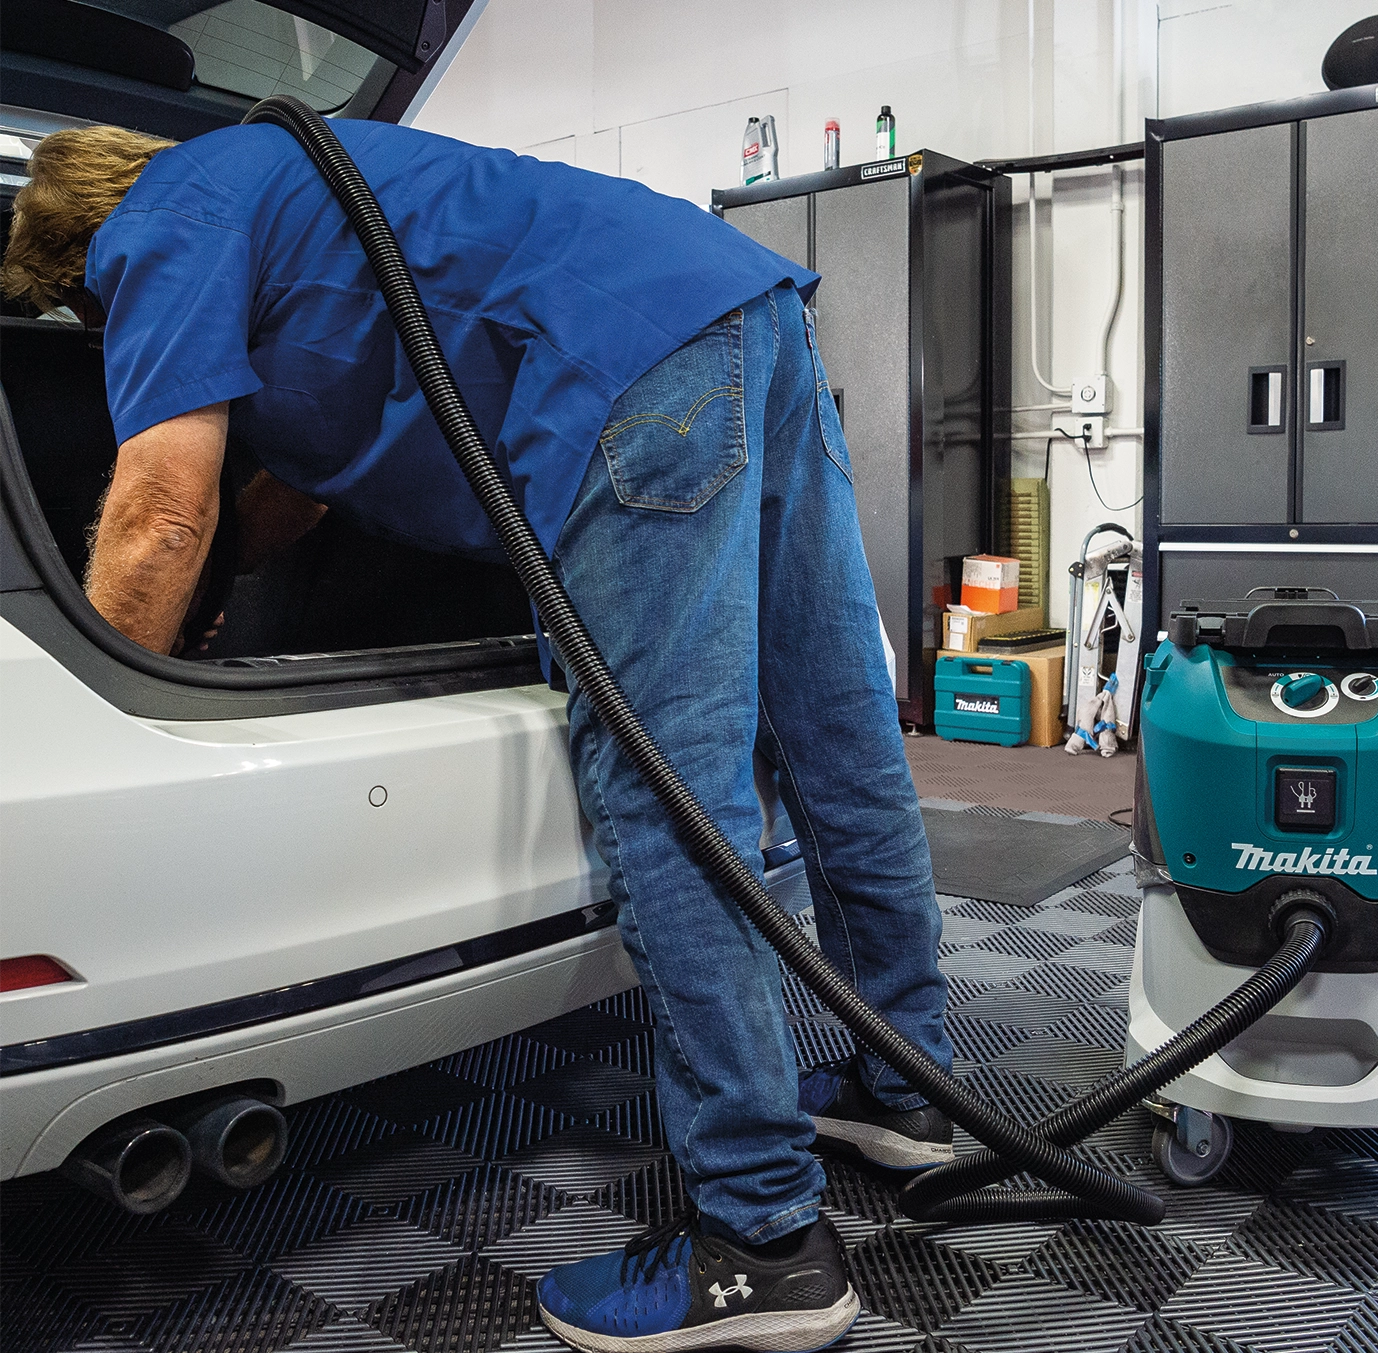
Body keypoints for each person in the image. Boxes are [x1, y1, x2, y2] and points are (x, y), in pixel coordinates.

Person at [1, 119, 953, 1353]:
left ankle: (762, 1240)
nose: (102, 332)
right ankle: (908, 1086)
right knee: (837, 736)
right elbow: (291, 479)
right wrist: (237, 564)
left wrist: (126, 673)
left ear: (78, 259)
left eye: (84, 314)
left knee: (667, 787)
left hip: (626, 371)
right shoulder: (276, 190)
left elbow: (157, 512)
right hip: (736, 308)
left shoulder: (158, 231)